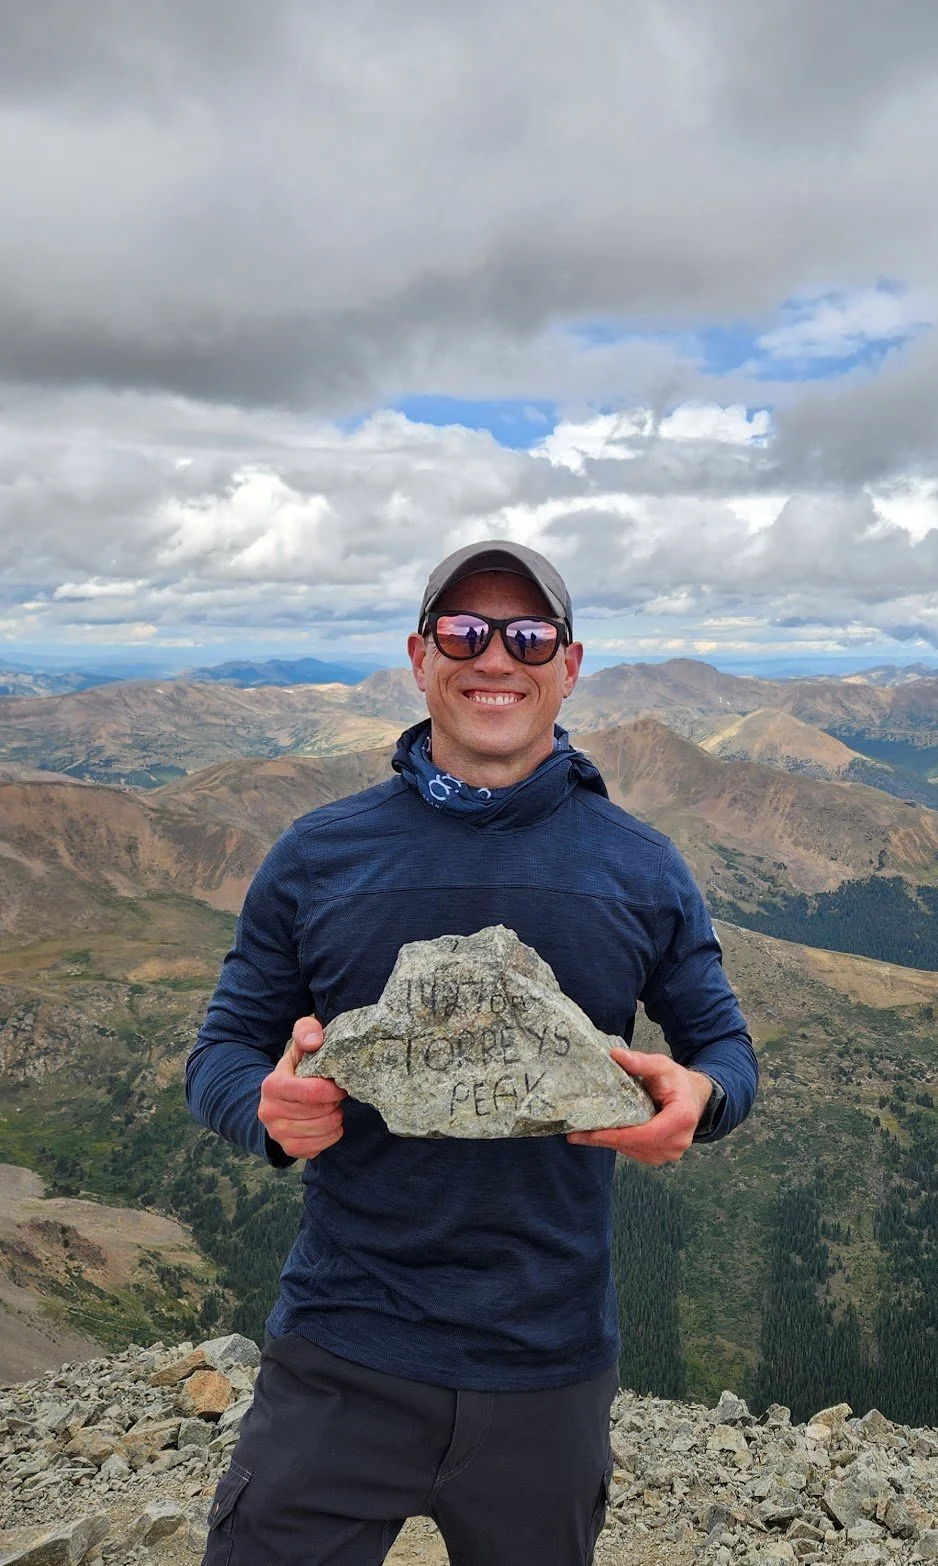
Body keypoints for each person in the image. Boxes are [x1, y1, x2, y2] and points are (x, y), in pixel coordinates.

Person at [186, 540, 758, 1565]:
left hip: (548, 1365)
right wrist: (263, 1109)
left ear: (568, 667)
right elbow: (222, 1049)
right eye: (464, 631)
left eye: (529, 634)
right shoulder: (317, 856)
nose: (497, 656)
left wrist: (700, 1099)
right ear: (420, 656)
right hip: (342, 1348)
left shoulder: (640, 866)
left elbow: (723, 1046)